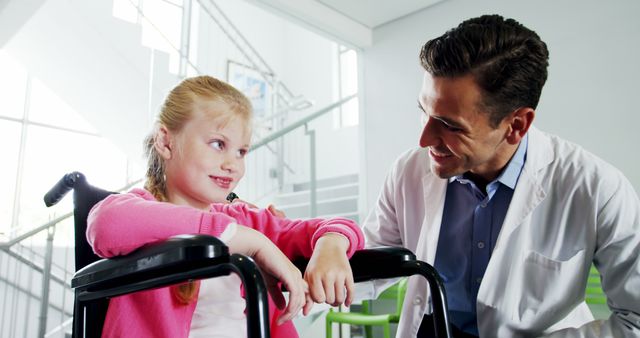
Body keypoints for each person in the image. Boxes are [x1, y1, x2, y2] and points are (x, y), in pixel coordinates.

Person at [362, 14, 640, 337]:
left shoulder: (597, 188)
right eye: (423, 111)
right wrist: (318, 253)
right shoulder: (409, 170)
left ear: (517, 125)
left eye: (450, 125)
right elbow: (362, 268)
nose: (424, 139)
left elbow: (635, 318)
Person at [87, 75, 365, 338]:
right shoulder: (138, 209)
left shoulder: (244, 219)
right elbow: (107, 224)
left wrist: (331, 244)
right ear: (165, 140)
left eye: (241, 151)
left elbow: (329, 227)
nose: (232, 164)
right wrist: (248, 241)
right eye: (218, 144)